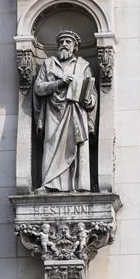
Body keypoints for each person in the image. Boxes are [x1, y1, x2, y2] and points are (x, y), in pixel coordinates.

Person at [33, 30, 96, 192]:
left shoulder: (83, 66)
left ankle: (75, 185)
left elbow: (92, 93)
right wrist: (59, 83)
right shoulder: (48, 64)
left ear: (75, 46)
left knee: (74, 146)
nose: (64, 45)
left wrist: (89, 101)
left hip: (75, 112)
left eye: (68, 42)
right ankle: (49, 184)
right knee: (51, 146)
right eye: (61, 42)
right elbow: (38, 88)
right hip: (53, 114)